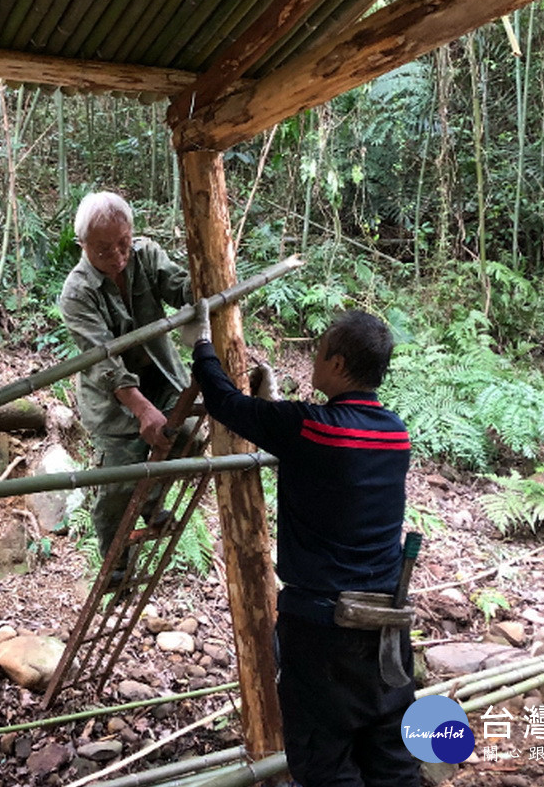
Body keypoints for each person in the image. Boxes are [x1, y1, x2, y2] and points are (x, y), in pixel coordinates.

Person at [184, 303, 420, 787]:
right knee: (391, 758)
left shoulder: (312, 428)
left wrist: (202, 345)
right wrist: (276, 416)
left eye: (318, 352)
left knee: (324, 764)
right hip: (387, 626)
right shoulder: (396, 434)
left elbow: (226, 404)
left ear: (336, 364)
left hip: (322, 628)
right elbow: (330, 465)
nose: (312, 362)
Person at [58, 192, 195, 584]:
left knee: (185, 437)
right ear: (82, 245)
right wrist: (141, 409)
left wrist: (206, 277)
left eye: (123, 243)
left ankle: (152, 503)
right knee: (119, 481)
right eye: (104, 249)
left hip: (162, 377)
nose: (118, 255)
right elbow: (104, 362)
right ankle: (116, 568)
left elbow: (180, 288)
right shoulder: (77, 292)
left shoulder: (146, 255)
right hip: (111, 400)